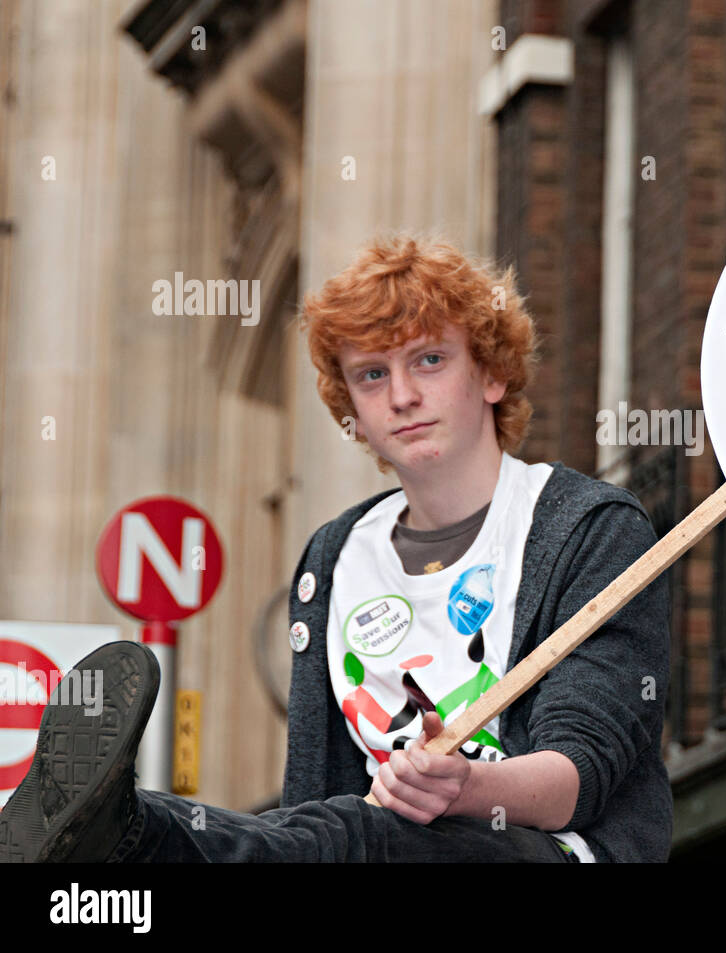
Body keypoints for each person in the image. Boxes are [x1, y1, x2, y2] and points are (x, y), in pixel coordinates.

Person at [0, 234, 673, 863]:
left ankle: (127, 833)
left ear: (492, 374)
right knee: (308, 832)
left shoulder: (587, 528)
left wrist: (463, 785)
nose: (403, 395)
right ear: (350, 408)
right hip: (377, 846)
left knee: (357, 832)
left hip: (550, 850)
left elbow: (580, 776)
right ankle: (115, 832)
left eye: (430, 360)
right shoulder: (336, 557)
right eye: (372, 375)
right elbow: (314, 798)